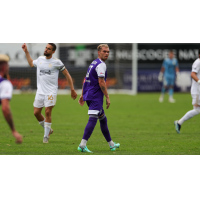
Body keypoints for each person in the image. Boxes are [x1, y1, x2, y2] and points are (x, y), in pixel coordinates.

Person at [22, 43, 77, 143]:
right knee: (36, 113)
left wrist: (72, 89)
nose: (46, 50)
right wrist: (26, 51)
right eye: (46, 48)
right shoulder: (40, 59)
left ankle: (46, 137)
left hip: (51, 92)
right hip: (40, 92)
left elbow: (67, 74)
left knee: (47, 112)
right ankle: (48, 130)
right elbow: (31, 63)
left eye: (49, 49)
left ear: (53, 51)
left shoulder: (57, 62)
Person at [78, 44, 120, 153]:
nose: (106, 53)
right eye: (104, 51)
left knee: (103, 118)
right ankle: (82, 145)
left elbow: (85, 79)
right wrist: (107, 97)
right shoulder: (101, 65)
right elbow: (101, 82)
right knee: (93, 119)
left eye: (108, 52)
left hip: (89, 94)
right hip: (95, 96)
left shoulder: (94, 62)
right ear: (99, 52)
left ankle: (111, 144)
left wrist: (83, 94)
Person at [174, 49, 200, 133]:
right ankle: (179, 123)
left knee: (197, 110)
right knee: (196, 110)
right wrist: (199, 81)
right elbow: (192, 74)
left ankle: (179, 123)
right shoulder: (198, 62)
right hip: (197, 91)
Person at [0, 54, 23, 144]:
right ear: (4, 67)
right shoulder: (4, 84)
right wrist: (13, 130)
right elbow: (5, 109)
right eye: (8, 65)